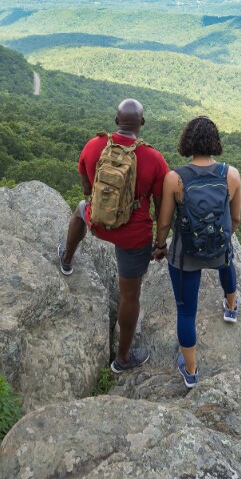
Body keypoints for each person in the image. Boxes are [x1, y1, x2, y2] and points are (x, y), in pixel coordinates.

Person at [58, 99, 168, 374]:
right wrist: (160, 242)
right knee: (130, 297)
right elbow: (161, 204)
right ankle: (122, 359)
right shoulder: (154, 159)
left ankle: (67, 260)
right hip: (134, 238)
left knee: (80, 209)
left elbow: (85, 186)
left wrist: (102, 209)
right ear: (141, 124)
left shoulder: (95, 145)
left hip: (97, 222)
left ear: (116, 120)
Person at [153, 116, 241, 388]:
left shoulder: (174, 178)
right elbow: (235, 219)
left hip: (186, 254)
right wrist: (223, 239)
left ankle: (191, 371)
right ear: (215, 142)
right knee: (227, 262)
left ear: (187, 141)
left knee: (187, 313)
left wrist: (159, 246)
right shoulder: (232, 174)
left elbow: (165, 222)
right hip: (219, 247)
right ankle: (231, 307)